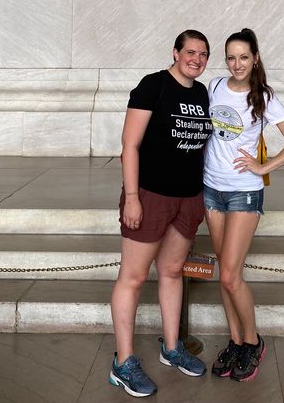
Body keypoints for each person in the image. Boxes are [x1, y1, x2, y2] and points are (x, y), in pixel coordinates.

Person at [109, 29, 213, 397]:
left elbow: (200, 147)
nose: (196, 59)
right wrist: (133, 196)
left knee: (171, 272)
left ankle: (171, 348)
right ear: (175, 52)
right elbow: (130, 145)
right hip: (151, 194)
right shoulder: (152, 86)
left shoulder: (202, 93)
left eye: (203, 54)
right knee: (133, 278)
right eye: (190, 52)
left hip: (188, 198)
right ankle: (123, 362)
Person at [204, 28, 284, 382]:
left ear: (255, 58)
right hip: (210, 189)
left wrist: (262, 166)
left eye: (244, 57)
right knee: (225, 271)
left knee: (232, 274)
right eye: (231, 57)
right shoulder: (214, 87)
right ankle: (235, 342)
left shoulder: (263, 96)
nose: (237, 64)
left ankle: (252, 342)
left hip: (243, 192)